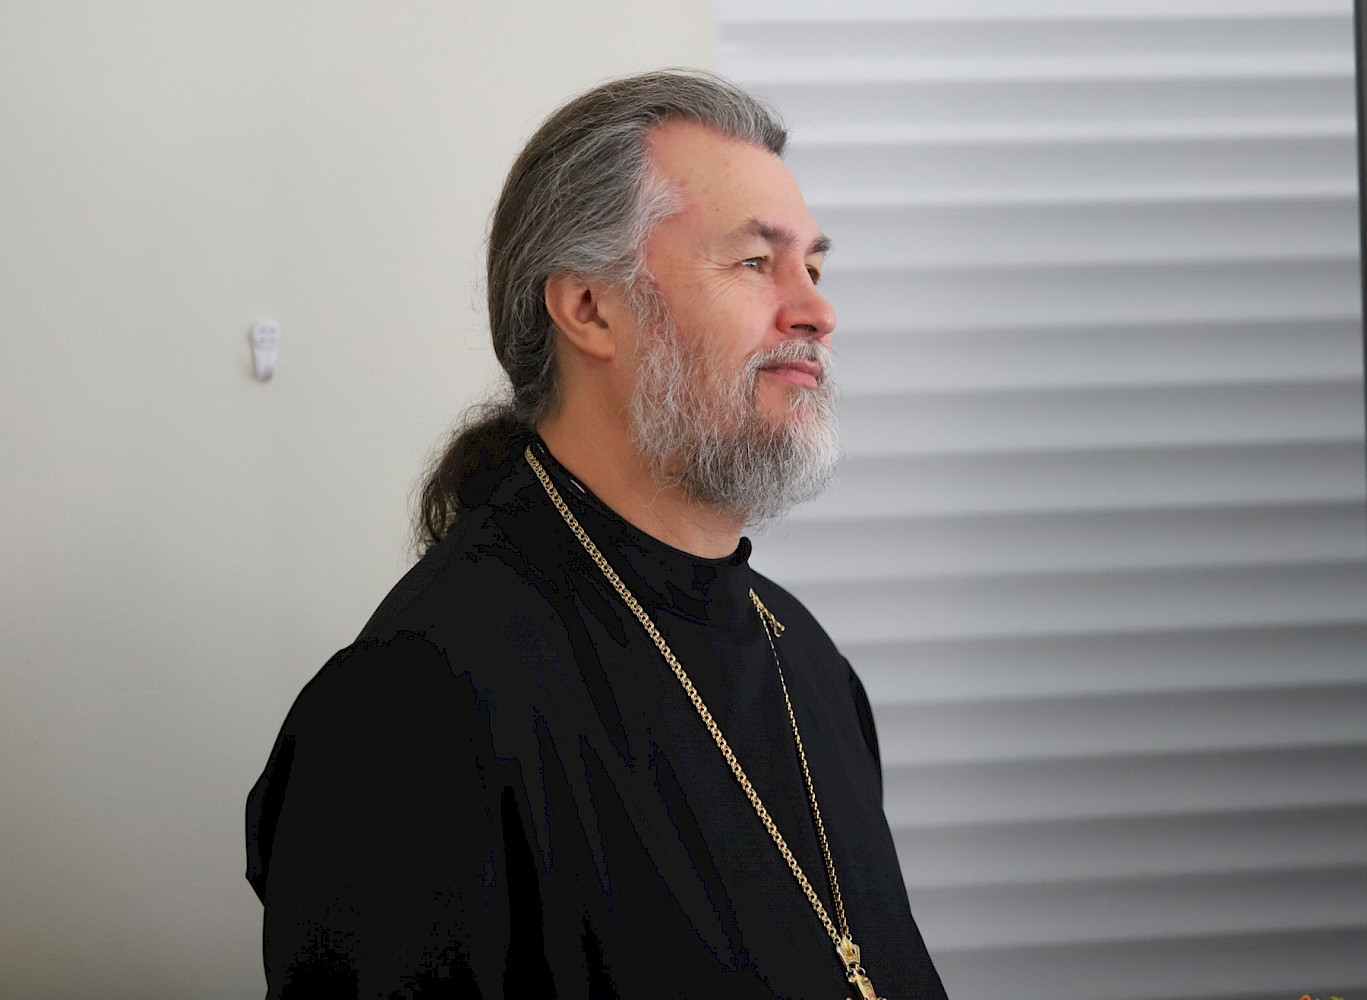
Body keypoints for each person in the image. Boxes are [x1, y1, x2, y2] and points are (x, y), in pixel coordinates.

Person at [246, 69, 948, 1000]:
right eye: (754, 262)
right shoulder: (413, 706)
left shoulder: (809, 663)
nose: (816, 311)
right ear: (587, 308)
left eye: (812, 268)